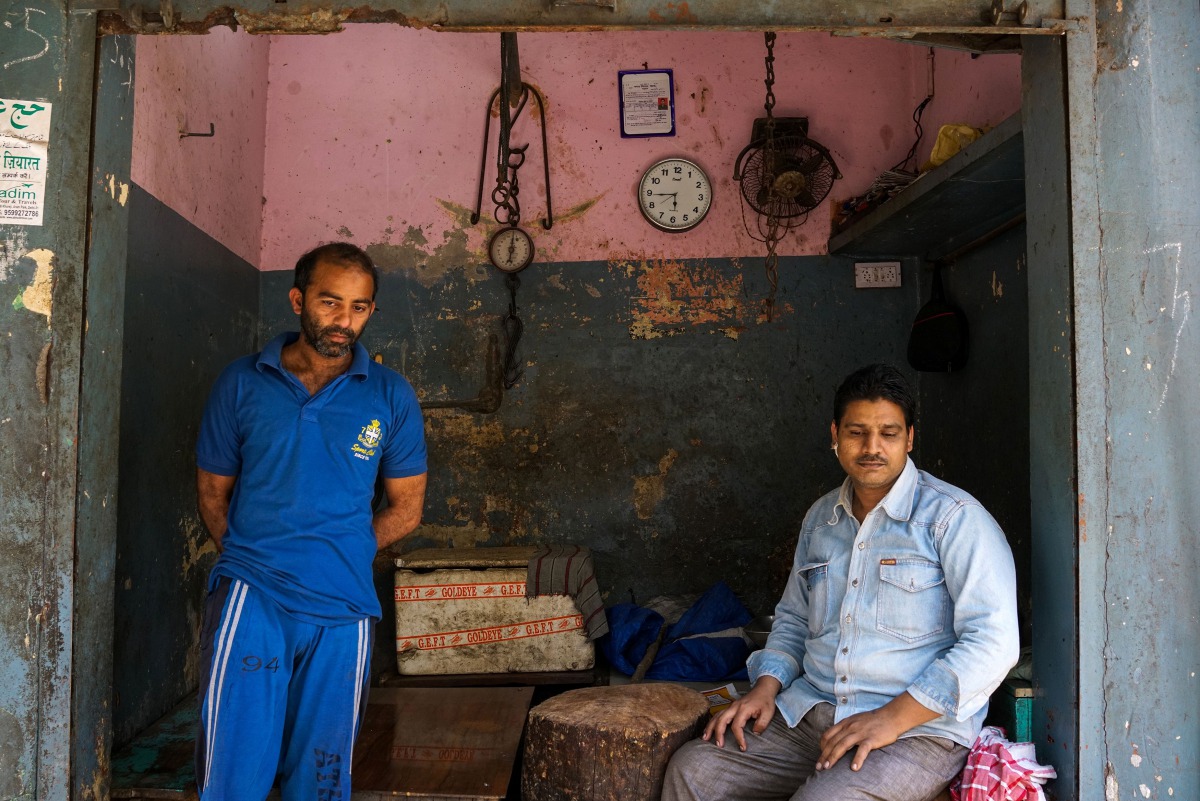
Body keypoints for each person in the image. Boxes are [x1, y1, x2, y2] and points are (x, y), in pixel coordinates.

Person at [662, 363, 1019, 801]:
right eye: (856, 432)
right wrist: (765, 688)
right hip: (809, 718)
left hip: (913, 733)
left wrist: (891, 717)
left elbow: (994, 641)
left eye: (888, 433)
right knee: (693, 770)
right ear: (835, 434)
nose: (872, 447)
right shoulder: (821, 519)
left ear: (910, 438)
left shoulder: (954, 520)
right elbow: (793, 618)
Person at [193, 242, 427, 801]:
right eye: (329, 302)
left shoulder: (391, 395)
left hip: (344, 608)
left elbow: (406, 508)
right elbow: (211, 493)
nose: (344, 320)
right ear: (299, 300)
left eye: (360, 307)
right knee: (233, 775)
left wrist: (340, 549)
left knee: (321, 780)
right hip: (253, 598)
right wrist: (256, 558)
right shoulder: (241, 382)